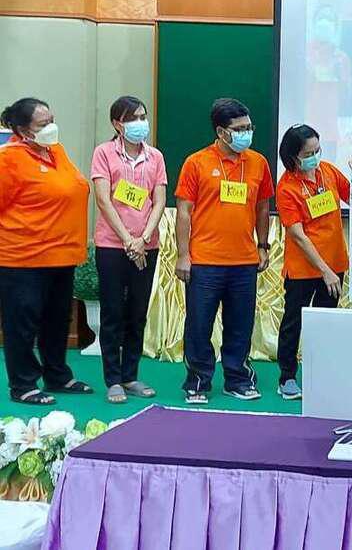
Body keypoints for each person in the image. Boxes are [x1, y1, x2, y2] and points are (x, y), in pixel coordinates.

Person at [174, 98, 274, 404]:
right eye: (239, 129)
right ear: (221, 131)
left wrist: (262, 245)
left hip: (244, 261)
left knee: (240, 326)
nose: (246, 133)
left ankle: (238, 379)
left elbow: (263, 207)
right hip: (204, 261)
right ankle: (198, 382)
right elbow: (183, 211)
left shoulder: (258, 163)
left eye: (249, 127)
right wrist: (183, 255)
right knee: (199, 326)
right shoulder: (196, 162)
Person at [0, 98, 93, 405]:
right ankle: (23, 384)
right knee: (22, 324)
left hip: (62, 255)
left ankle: (58, 375)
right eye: (43, 124)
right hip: (23, 258)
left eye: (51, 120)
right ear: (22, 130)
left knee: (57, 320)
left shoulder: (56, 150)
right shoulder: (9, 159)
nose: (51, 127)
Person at [91, 96, 167, 403]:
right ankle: (113, 380)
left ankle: (130, 375)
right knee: (113, 312)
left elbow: (158, 200)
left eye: (143, 116)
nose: (140, 123)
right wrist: (127, 239)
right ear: (117, 124)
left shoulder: (155, 156)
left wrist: (143, 238)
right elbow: (103, 199)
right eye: (133, 118)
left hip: (147, 245)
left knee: (137, 312)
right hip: (112, 245)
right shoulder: (104, 153)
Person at [275, 125, 352, 400]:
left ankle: (321, 373)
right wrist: (324, 270)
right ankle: (287, 377)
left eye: (317, 150)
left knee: (326, 321)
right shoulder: (287, 187)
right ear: (293, 157)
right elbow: (298, 235)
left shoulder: (329, 172)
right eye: (308, 154)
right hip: (304, 268)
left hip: (335, 263)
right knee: (294, 322)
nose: (315, 157)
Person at [305, 4, 351, 161]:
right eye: (321, 18)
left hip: (330, 128)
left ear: (335, 27)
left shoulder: (341, 58)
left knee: (328, 167)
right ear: (314, 24)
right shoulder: (305, 53)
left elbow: (347, 96)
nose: (325, 22)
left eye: (329, 19)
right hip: (307, 124)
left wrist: (340, 75)